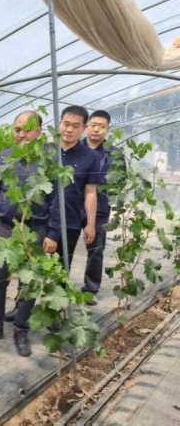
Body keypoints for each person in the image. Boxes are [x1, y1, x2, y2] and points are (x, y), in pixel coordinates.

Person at [0, 111, 60, 357]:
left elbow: (56, 201)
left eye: (27, 129)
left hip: (35, 228)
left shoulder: (48, 161)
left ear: (39, 132)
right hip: (4, 226)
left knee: (29, 283)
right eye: (17, 129)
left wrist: (52, 233)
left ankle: (21, 330)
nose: (21, 134)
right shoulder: (5, 157)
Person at [81, 110, 121, 305]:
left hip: (100, 208)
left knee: (96, 249)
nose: (96, 129)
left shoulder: (114, 154)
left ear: (108, 130)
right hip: (72, 206)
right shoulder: (74, 149)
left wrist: (100, 193)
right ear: (86, 127)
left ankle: (90, 289)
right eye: (93, 125)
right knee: (63, 246)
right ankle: (59, 286)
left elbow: (120, 181)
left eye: (101, 126)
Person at [56, 105, 102, 273]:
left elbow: (90, 192)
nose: (69, 130)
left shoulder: (91, 157)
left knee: (61, 269)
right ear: (59, 124)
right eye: (66, 124)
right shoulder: (46, 151)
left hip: (70, 221)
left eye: (75, 126)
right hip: (42, 220)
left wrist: (90, 224)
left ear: (84, 128)